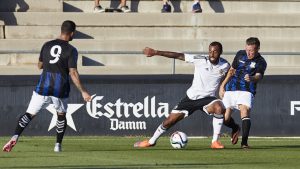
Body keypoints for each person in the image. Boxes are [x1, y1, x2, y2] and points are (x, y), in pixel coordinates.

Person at [2, 20, 92, 153]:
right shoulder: (71, 50)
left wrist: (49, 64)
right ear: (72, 33)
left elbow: (39, 65)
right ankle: (57, 145)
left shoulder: (47, 45)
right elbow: (73, 72)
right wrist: (83, 92)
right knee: (61, 115)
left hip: (43, 87)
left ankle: (15, 136)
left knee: (29, 114)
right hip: (60, 88)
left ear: (61, 31)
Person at [134, 42, 231, 149]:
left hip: (208, 99)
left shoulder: (225, 65)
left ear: (220, 52)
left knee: (219, 107)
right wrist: (156, 52)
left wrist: (223, 86)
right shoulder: (200, 59)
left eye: (215, 51)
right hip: (191, 98)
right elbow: (178, 55)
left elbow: (230, 76)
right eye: (210, 51)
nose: (212, 54)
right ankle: (151, 142)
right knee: (168, 121)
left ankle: (215, 142)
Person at [219, 37, 267, 149]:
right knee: (224, 118)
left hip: (246, 89)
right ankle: (235, 128)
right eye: (247, 50)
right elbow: (231, 70)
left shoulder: (261, 61)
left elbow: (259, 76)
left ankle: (244, 143)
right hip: (231, 88)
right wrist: (222, 86)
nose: (249, 53)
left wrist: (252, 78)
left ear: (258, 49)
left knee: (244, 111)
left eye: (252, 51)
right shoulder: (240, 54)